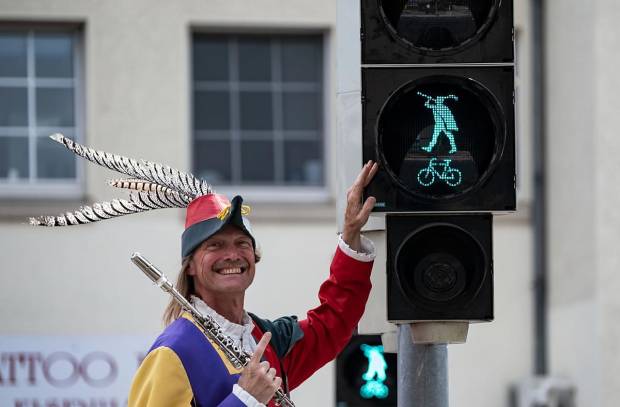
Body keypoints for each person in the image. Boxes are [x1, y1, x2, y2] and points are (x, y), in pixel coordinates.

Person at [127, 161, 379, 407]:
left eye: (242, 243)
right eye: (215, 245)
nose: (232, 255)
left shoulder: (267, 340)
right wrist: (244, 399)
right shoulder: (173, 351)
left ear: (254, 257)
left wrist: (350, 232)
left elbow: (334, 321)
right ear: (190, 265)